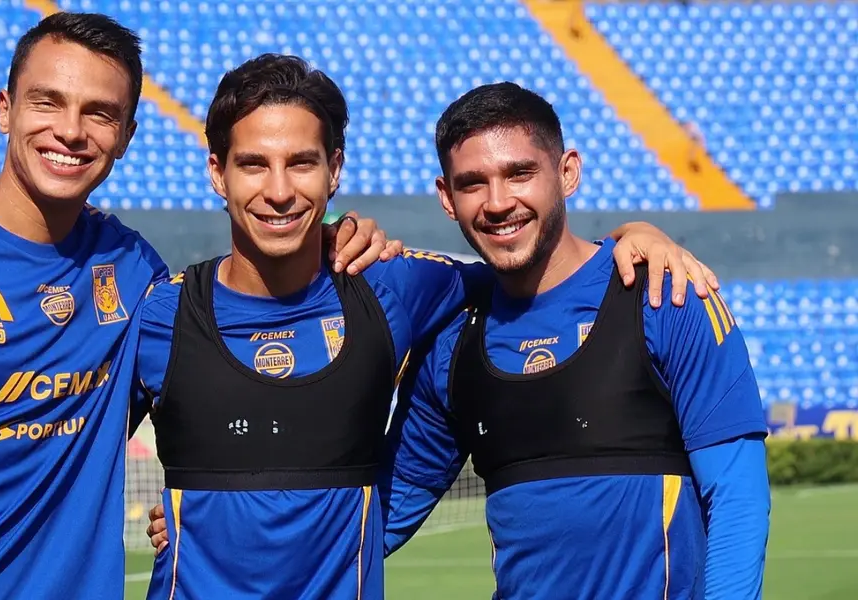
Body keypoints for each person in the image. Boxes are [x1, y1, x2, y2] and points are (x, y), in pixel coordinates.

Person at [0, 14, 393, 600]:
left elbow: (218, 394)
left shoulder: (135, 270)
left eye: (99, 112)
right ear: (5, 108)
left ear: (128, 134)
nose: (71, 131)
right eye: (47, 102)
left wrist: (328, 242)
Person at [134, 56, 719, 599]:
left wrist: (634, 239)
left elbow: (527, 263)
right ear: (217, 172)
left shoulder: (397, 287)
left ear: (334, 170)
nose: (280, 190)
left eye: (303, 162)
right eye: (254, 164)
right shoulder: (157, 315)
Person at [382, 82, 769, 598]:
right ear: (447, 198)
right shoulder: (451, 342)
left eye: (520, 173)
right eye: (473, 183)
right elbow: (375, 519)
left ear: (567, 173)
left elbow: (738, 498)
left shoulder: (664, 294)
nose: (498, 203)